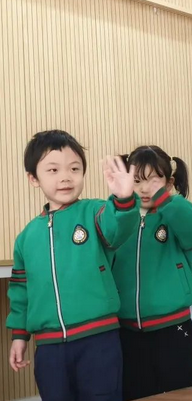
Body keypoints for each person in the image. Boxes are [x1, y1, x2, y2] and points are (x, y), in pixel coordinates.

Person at [7, 130, 140, 401]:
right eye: (53, 170)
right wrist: (19, 336)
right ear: (33, 179)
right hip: (49, 347)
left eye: (74, 168)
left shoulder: (95, 212)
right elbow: (21, 292)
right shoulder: (26, 238)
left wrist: (124, 199)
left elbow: (118, 229)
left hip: (99, 340)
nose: (66, 177)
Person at [113, 146, 192, 400]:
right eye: (137, 181)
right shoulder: (120, 217)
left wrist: (167, 201)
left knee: (179, 393)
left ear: (169, 182)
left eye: (154, 180)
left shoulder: (174, 213)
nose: (145, 188)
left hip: (172, 326)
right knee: (136, 392)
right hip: (127, 328)